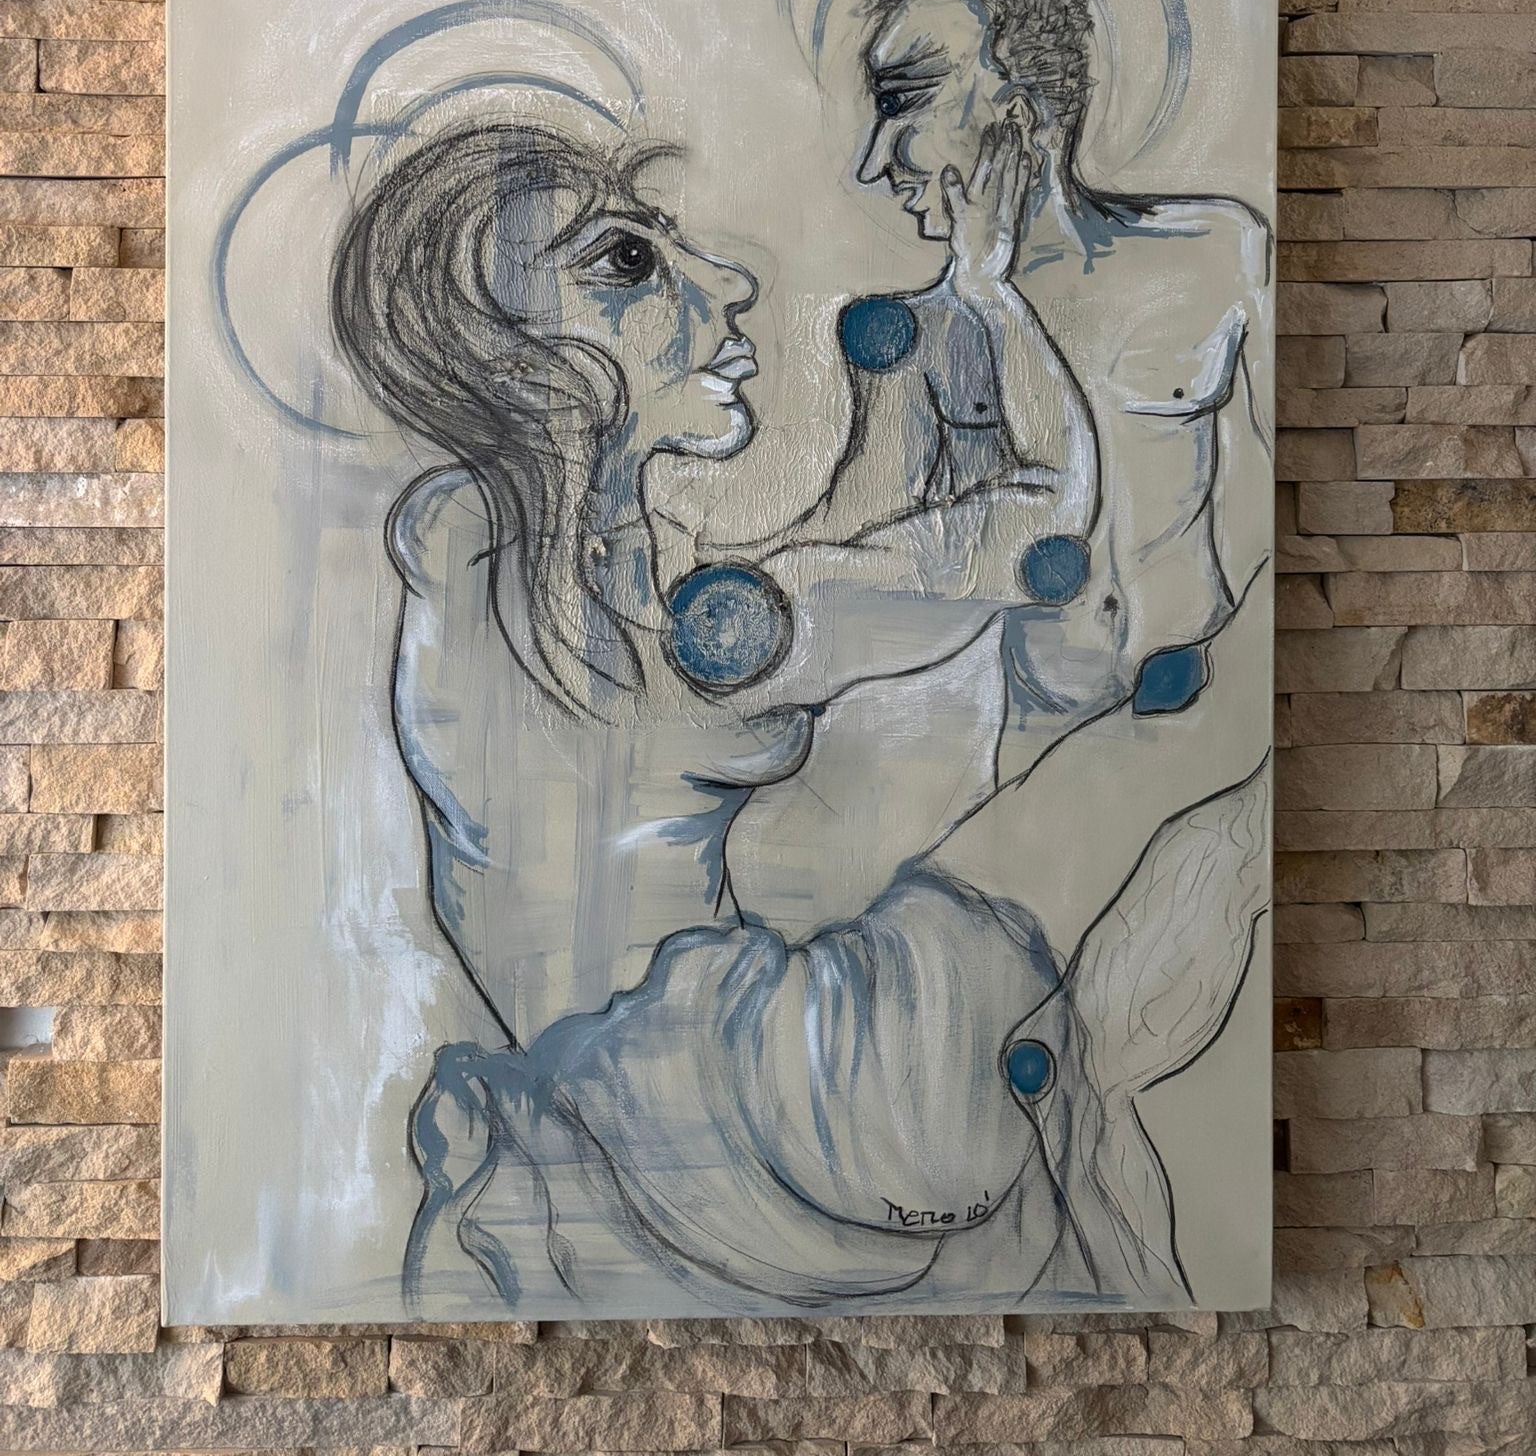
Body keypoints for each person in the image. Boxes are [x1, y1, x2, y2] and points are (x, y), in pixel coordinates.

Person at [330, 114, 1262, 1319]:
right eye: (627, 262)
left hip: (643, 1143)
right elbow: (1039, 528)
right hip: (795, 1099)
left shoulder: (492, 555)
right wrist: (989, 293)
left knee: (1181, 822)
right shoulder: (623, 605)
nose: (729, 283)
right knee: (1213, 716)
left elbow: (831, 561)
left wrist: (893, 408)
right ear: (508, 354)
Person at [731, 0, 1272, 933]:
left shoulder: (1219, 256)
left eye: (906, 100)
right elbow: (853, 551)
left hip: (1210, 751)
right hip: (1027, 794)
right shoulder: (912, 336)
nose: (874, 158)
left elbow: (1289, 527)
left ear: (1021, 111)